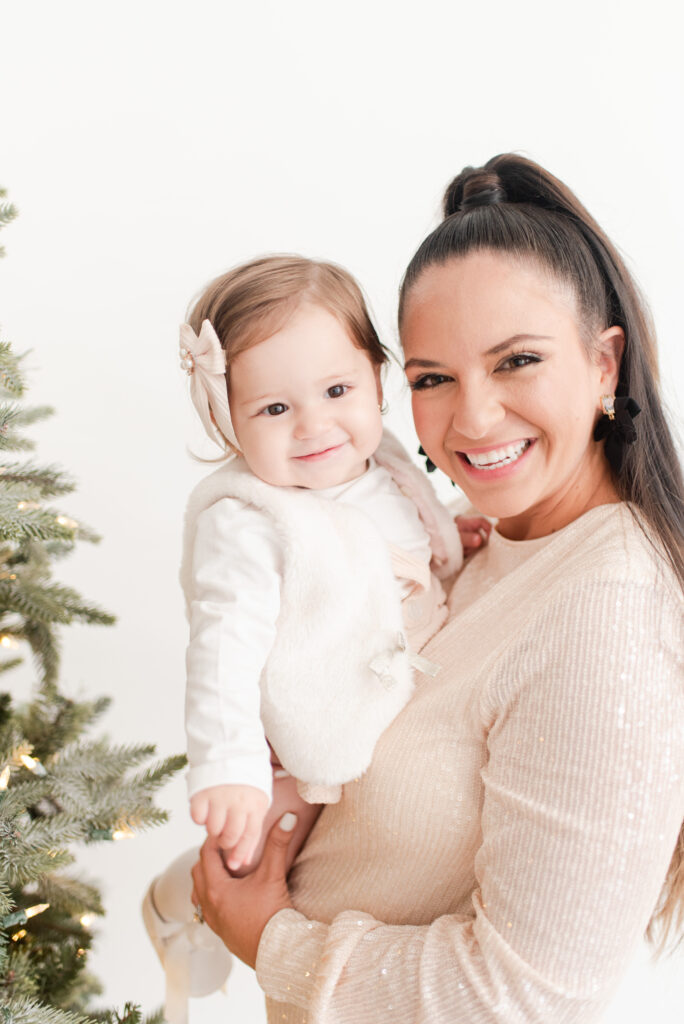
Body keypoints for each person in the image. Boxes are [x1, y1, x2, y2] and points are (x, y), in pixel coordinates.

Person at [190, 154, 684, 1024]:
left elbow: (523, 998)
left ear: (605, 365)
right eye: (431, 378)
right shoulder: (463, 537)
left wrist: (273, 941)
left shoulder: (611, 616)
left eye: (517, 361)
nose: (474, 418)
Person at [142, 255, 488, 1023]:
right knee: (256, 857)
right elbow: (223, 648)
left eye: (337, 391)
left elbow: (408, 530)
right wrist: (230, 767)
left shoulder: (385, 462)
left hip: (388, 699)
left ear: (375, 379)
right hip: (291, 742)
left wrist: (449, 537)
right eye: (273, 409)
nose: (316, 425)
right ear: (225, 417)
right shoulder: (249, 520)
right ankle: (178, 905)